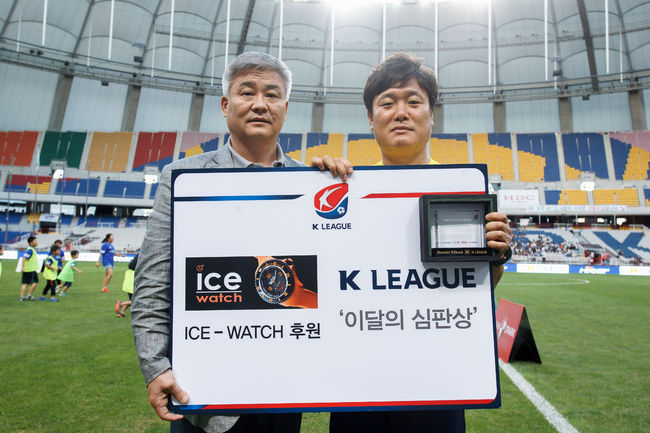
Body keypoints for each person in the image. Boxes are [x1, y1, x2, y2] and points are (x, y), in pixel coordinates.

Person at [131, 51, 353, 433]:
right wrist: (155, 367)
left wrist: (340, 183)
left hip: (284, 395)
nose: (260, 104)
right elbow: (153, 282)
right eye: (247, 92)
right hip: (204, 401)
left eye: (272, 94)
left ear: (285, 108)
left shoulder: (314, 183)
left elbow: (336, 280)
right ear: (225, 105)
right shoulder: (182, 178)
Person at [329, 53, 512, 433]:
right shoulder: (340, 192)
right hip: (358, 380)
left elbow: (474, 291)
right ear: (370, 118)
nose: (400, 113)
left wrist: (495, 257)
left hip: (437, 381)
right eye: (387, 103)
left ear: (432, 115)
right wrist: (308, 187)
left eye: (413, 102)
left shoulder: (463, 191)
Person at [116, 252, 138, 318]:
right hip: (134, 279)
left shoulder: (136, 258)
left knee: (131, 299)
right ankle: (121, 304)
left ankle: (122, 313)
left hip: (129, 279)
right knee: (137, 300)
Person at [19, 236, 39, 301]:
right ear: (31, 243)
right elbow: (24, 258)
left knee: (25, 283)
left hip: (27, 269)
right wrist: (22, 267)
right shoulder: (30, 250)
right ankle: (29, 295)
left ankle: (22, 297)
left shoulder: (30, 249)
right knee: (35, 282)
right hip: (30, 270)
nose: (37, 242)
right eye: (35, 241)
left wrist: (23, 267)